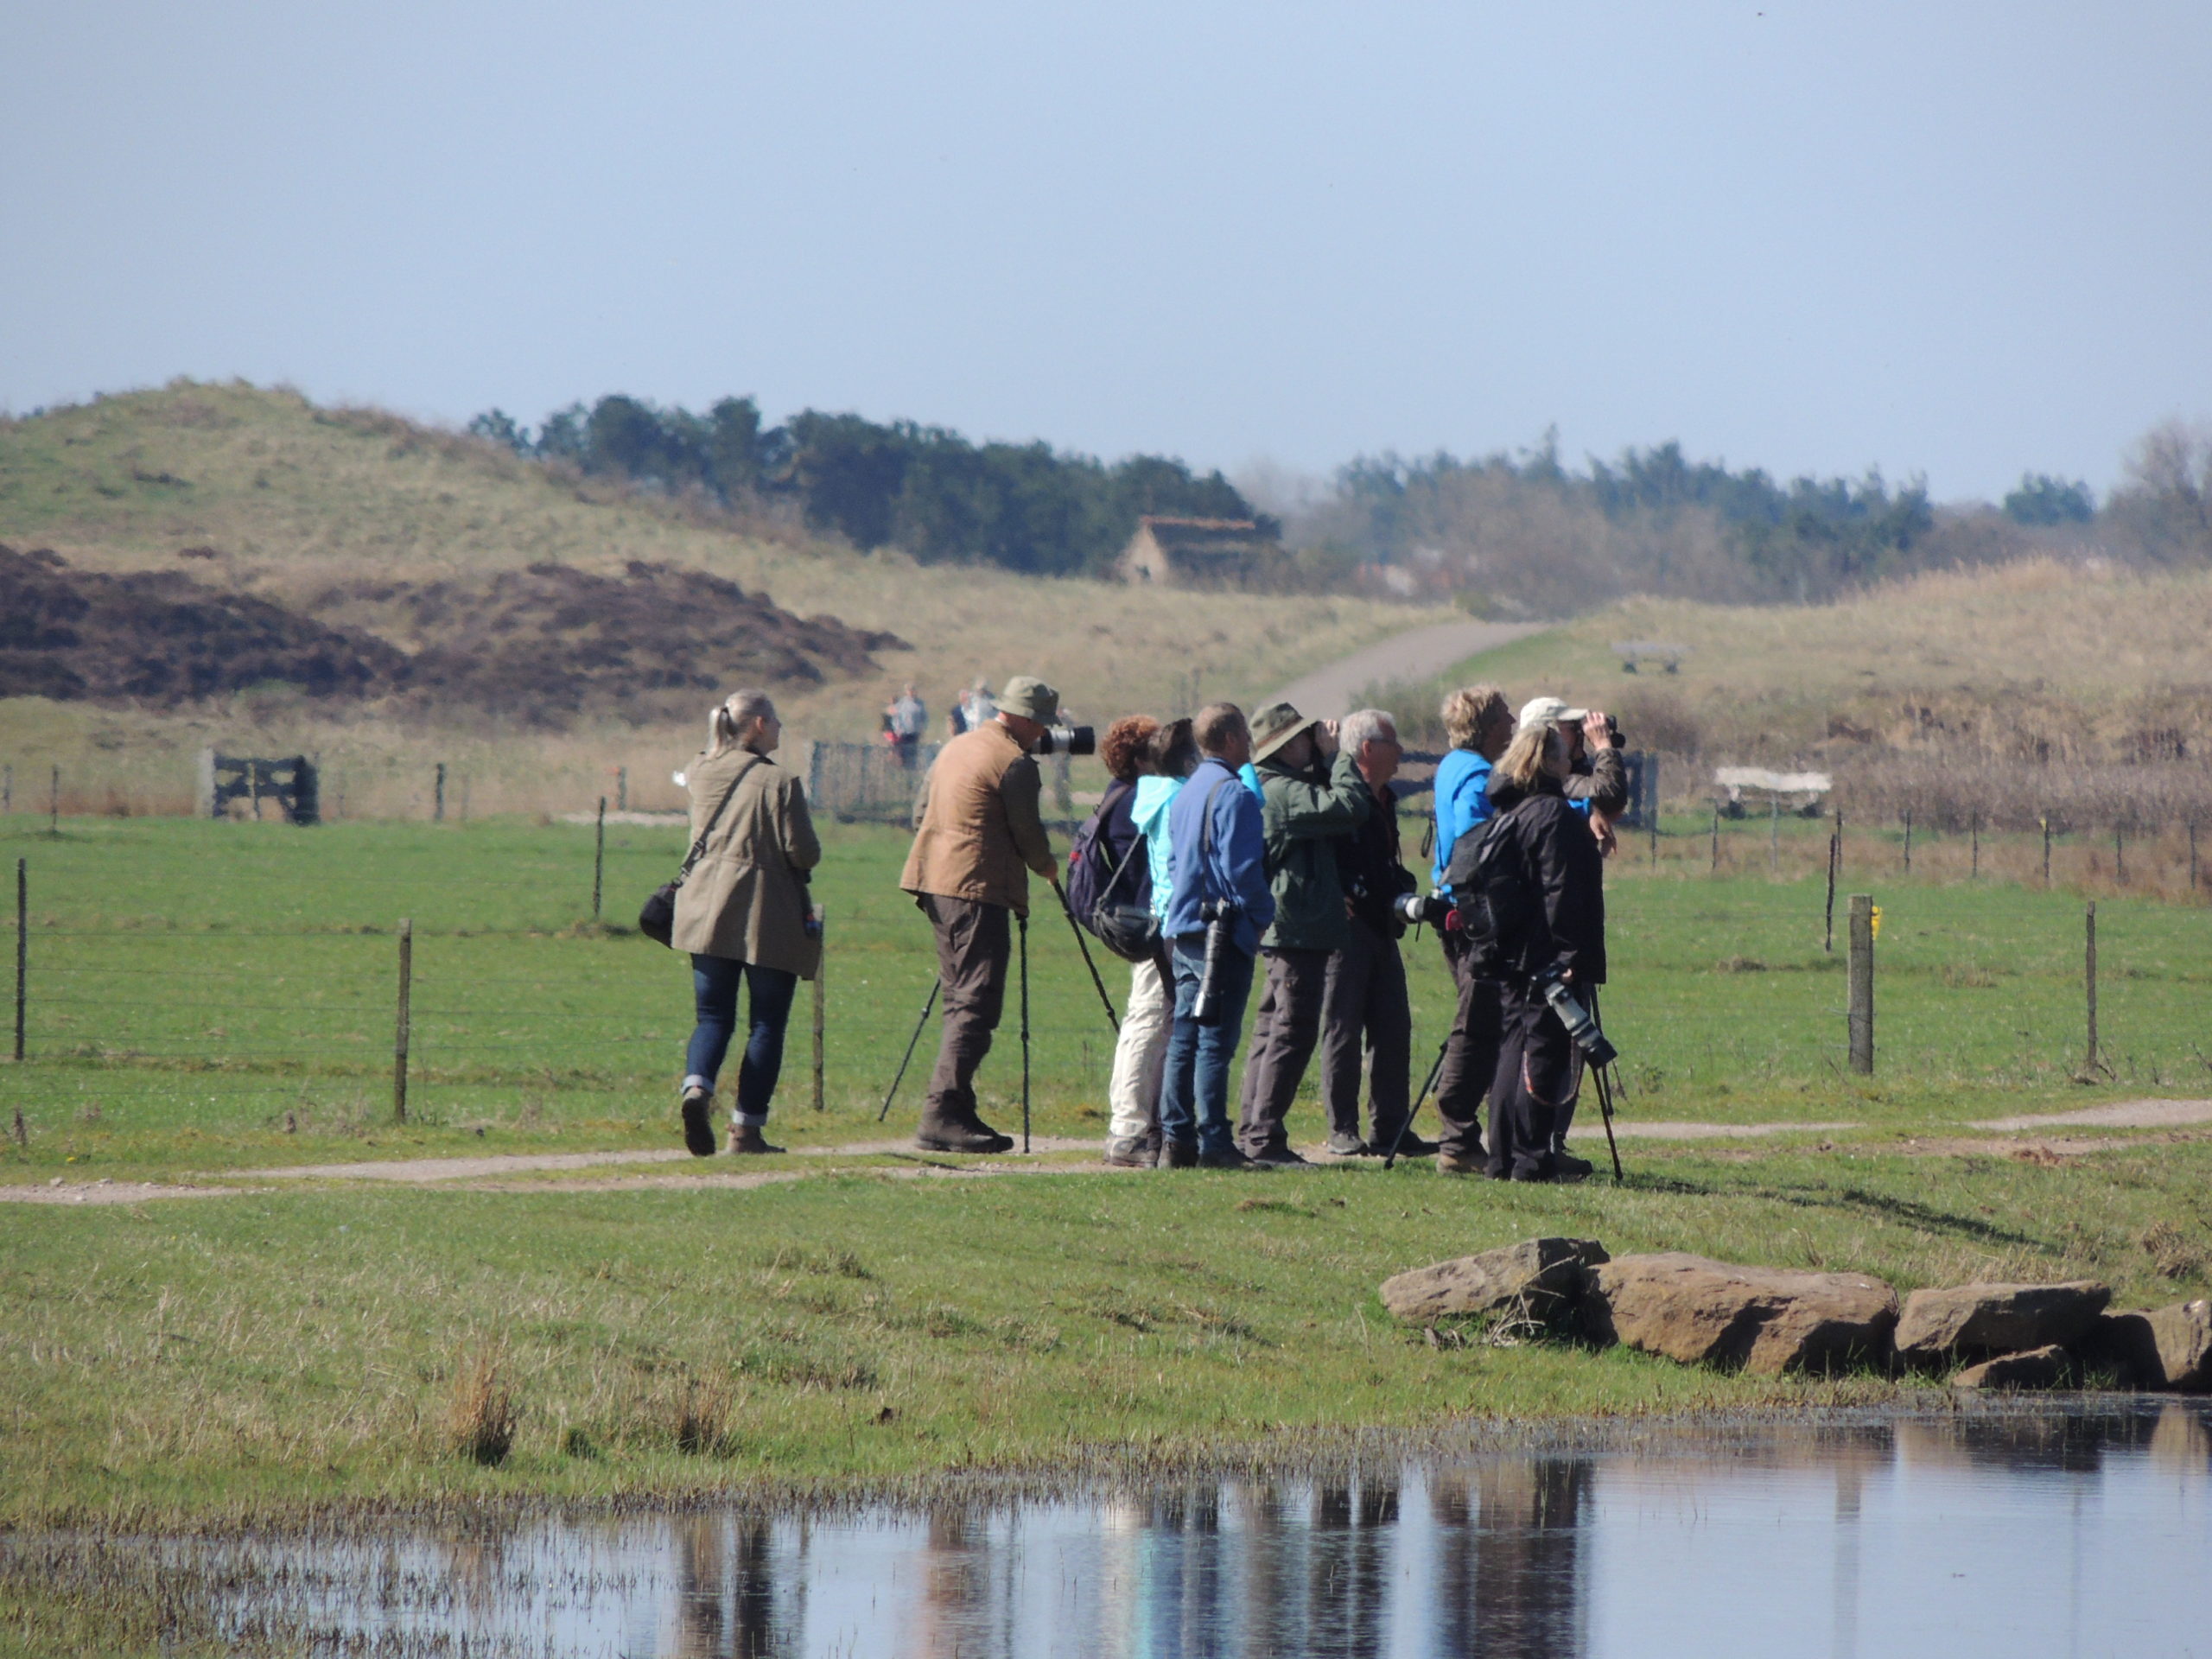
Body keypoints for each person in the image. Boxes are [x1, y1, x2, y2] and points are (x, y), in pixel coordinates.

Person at [899, 674, 1062, 1153]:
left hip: (936, 881)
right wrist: (1047, 867)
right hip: (976, 889)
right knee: (977, 1001)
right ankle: (942, 1113)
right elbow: (1028, 835)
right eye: (1040, 726)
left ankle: (956, 1108)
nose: (1042, 736)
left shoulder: (955, 747)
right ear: (1025, 720)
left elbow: (918, 813)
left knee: (959, 998)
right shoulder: (1014, 763)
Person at [671, 690, 821, 1156]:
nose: (779, 728)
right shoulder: (781, 782)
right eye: (775, 721)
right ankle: (746, 1131)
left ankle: (697, 1088)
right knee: (767, 1024)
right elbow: (804, 852)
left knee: (713, 1016)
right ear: (758, 724)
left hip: (703, 908)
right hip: (766, 911)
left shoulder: (699, 771)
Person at [1235, 701, 1370, 1166]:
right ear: (1288, 745)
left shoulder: (1281, 787)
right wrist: (1339, 757)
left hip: (1288, 924)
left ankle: (1252, 1130)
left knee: (1272, 1027)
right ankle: (1264, 1137)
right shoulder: (1286, 792)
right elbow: (1350, 805)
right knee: (1292, 1029)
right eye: (1307, 737)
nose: (1314, 742)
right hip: (1295, 928)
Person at [1481, 709, 1607, 1181]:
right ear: (1550, 762)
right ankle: (1531, 1158)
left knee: (1513, 1049)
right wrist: (1569, 958)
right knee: (1543, 1052)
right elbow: (1561, 890)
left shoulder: (1511, 809)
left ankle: (1503, 1157)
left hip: (1512, 951)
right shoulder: (1551, 814)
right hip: (1545, 956)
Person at [1159, 703, 1274, 1169]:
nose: (1249, 743)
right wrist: (1264, 915)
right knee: (1215, 1042)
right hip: (1221, 935)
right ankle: (1215, 1143)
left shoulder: (1185, 794)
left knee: (1183, 1035)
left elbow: (1172, 865)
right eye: (1244, 734)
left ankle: (1176, 1140)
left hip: (1184, 928)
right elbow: (1243, 871)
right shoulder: (1236, 795)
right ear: (1229, 739)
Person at [1319, 708, 1427, 1157]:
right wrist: (1334, 893)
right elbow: (1317, 848)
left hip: (1382, 923)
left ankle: (1391, 1126)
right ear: (1367, 749)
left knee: (1393, 1026)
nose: (1401, 751)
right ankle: (1342, 1129)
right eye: (1392, 742)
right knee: (1342, 1028)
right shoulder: (1337, 795)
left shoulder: (1385, 798)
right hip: (1346, 929)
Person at [1429, 684, 1515, 1174]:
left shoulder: (1453, 767)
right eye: (1504, 715)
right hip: (1473, 917)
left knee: (1480, 1019)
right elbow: (1476, 843)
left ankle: (1464, 1136)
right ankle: (1457, 1139)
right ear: (1485, 725)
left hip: (1454, 911)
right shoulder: (1478, 775)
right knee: (1477, 1023)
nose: (1512, 722)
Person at [1091, 715, 1167, 1168]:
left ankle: (1133, 1125)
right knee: (1148, 1018)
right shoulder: (1139, 799)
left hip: (1139, 921)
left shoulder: (1117, 796)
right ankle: (1129, 1130)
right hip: (1152, 922)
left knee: (1146, 1017)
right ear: (1141, 758)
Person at [885, 683, 927, 769]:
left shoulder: (920, 703)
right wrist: (898, 729)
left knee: (913, 753)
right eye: (909, 691)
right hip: (904, 733)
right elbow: (896, 717)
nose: (911, 692)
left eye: (913, 690)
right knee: (903, 755)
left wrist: (923, 728)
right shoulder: (902, 703)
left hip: (915, 733)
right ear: (906, 692)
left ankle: (912, 771)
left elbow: (924, 717)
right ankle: (904, 772)